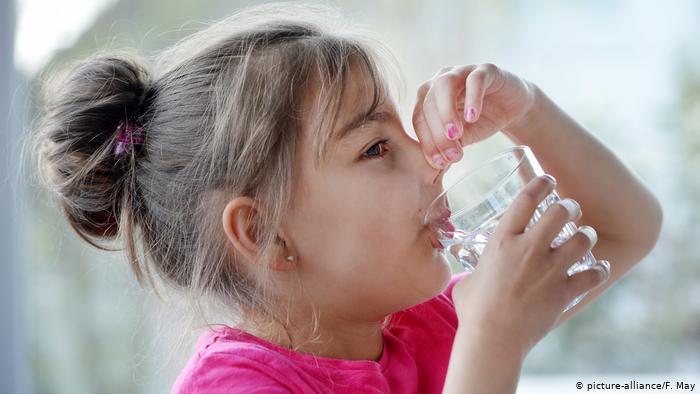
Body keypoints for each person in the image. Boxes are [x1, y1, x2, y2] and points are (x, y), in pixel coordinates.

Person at [26, 2, 663, 393]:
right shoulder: (238, 388)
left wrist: (527, 111)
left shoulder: (416, 331)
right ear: (268, 234)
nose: (430, 159)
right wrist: (492, 343)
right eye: (376, 148)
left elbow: (626, 229)